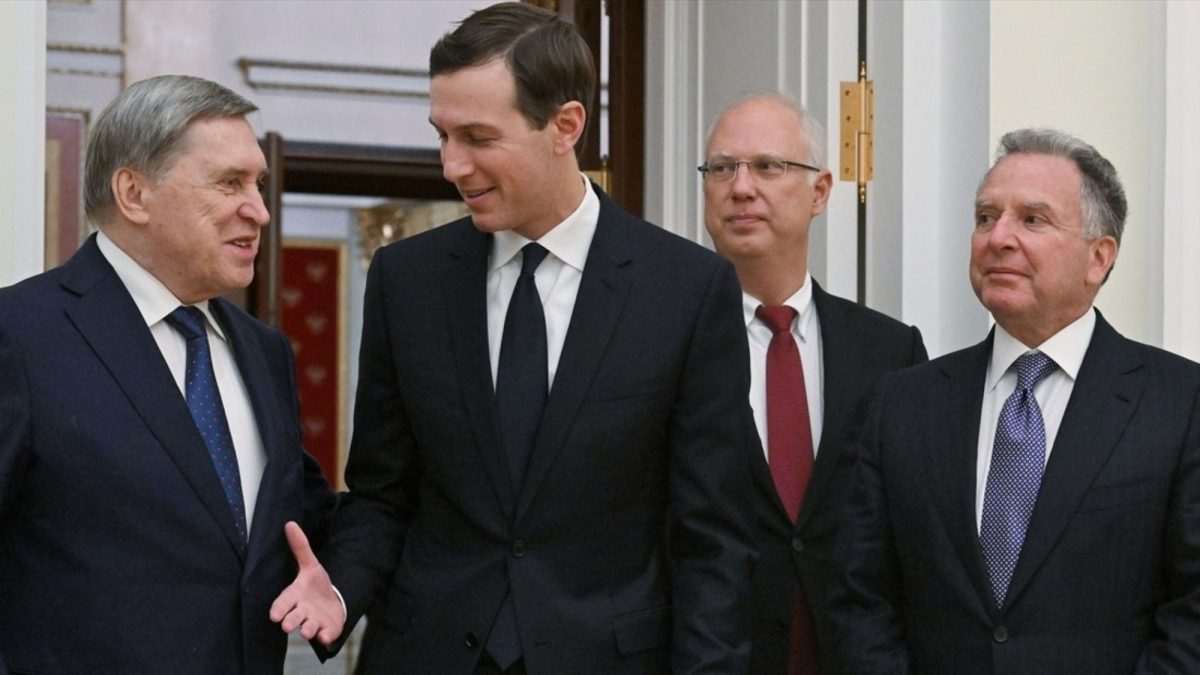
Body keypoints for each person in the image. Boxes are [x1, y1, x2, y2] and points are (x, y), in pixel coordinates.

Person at [269, 3, 756, 674]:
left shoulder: (687, 290)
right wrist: (342, 588)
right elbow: (382, 494)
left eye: (477, 137)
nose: (451, 165)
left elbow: (714, 539)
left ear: (565, 126)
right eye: (442, 135)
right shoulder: (405, 280)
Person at [827, 128, 1200, 674]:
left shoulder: (1179, 403)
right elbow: (858, 595)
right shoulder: (902, 403)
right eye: (985, 217)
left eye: (1032, 219)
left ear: (1099, 257)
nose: (998, 237)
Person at [0, 75, 336, 674]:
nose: (259, 210)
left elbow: (296, 521)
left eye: (258, 184)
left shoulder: (264, 353)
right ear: (134, 193)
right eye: (229, 183)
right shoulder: (21, 335)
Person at [700, 93, 926, 675]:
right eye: (721, 168)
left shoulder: (890, 352)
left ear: (820, 192)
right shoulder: (666, 342)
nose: (741, 187)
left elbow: (910, 535)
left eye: (768, 166)